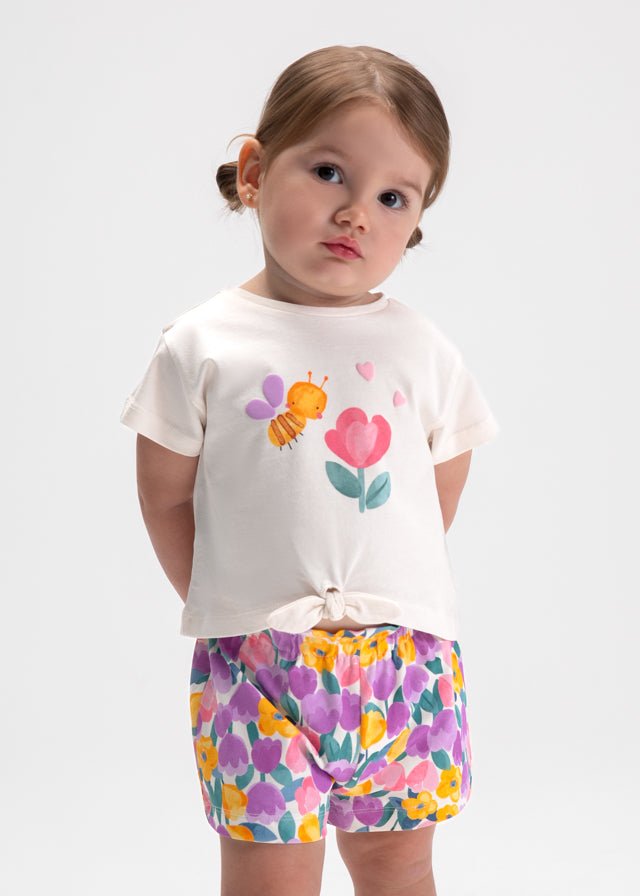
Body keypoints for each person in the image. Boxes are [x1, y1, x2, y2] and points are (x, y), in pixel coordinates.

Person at [120, 44, 500, 896]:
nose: (356, 213)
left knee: (400, 866)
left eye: (393, 198)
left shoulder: (420, 346)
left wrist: (389, 579)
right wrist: (228, 598)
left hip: (404, 661)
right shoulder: (203, 344)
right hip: (257, 667)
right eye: (329, 172)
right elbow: (164, 494)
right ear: (256, 172)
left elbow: (441, 475)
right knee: (269, 874)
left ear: (416, 220)